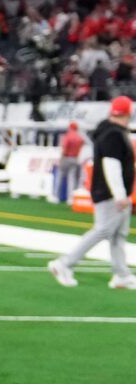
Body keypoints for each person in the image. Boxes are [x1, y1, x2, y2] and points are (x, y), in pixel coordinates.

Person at [49, 95, 135, 290]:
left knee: (118, 235)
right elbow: (111, 166)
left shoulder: (109, 131)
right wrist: (120, 195)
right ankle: (64, 263)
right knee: (103, 230)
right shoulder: (113, 135)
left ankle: (121, 274)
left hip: (109, 191)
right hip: (110, 193)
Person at [54, 120, 86, 206]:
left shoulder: (67, 136)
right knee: (72, 179)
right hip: (75, 158)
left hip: (66, 157)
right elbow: (82, 145)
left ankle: (56, 196)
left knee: (59, 177)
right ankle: (70, 198)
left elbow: (64, 148)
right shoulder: (79, 137)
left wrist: (61, 158)